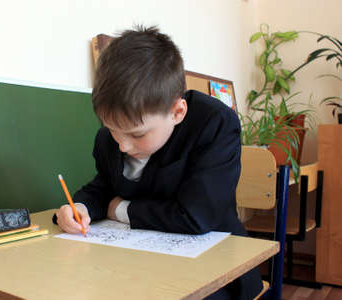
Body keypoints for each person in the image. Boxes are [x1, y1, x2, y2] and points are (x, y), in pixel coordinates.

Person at [54, 26, 262, 299]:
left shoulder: (214, 123)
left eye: (137, 134)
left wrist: (120, 210)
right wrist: (79, 207)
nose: (123, 145)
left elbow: (196, 216)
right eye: (113, 129)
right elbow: (104, 187)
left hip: (216, 263)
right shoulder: (109, 138)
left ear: (177, 112)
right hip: (140, 262)